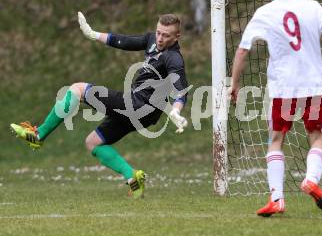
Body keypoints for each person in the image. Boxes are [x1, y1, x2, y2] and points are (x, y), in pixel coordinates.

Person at [10, 12, 189, 199]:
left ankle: (38, 135)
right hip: (141, 112)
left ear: (176, 37)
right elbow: (125, 41)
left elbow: (181, 88)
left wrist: (176, 110)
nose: (160, 38)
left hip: (138, 106)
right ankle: (133, 178)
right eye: (159, 32)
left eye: (166, 35)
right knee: (93, 142)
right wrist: (93, 34)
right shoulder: (152, 40)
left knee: (77, 89)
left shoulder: (173, 57)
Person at [229, 0, 322, 216]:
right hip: (314, 86)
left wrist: (234, 83)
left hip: (283, 88)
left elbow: (243, 50)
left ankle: (277, 198)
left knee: (276, 140)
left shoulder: (264, 12)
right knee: (317, 137)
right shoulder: (313, 8)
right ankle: (311, 180)